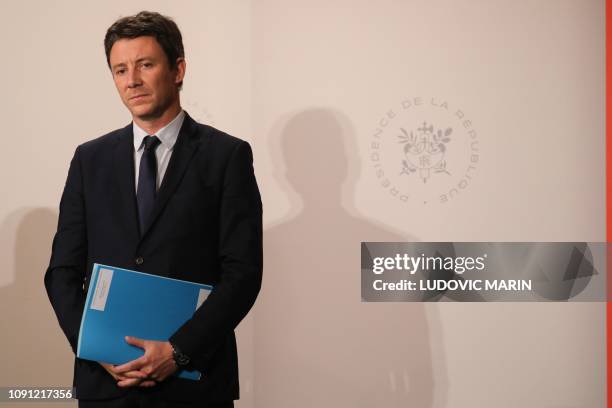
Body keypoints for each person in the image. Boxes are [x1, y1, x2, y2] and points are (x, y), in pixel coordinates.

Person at [44, 11, 262, 408]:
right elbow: (61, 271)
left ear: (178, 69)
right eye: (120, 69)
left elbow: (243, 274)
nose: (132, 81)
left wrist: (179, 351)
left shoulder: (226, 156)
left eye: (145, 65)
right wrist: (94, 346)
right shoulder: (89, 160)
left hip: (195, 388)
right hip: (107, 387)